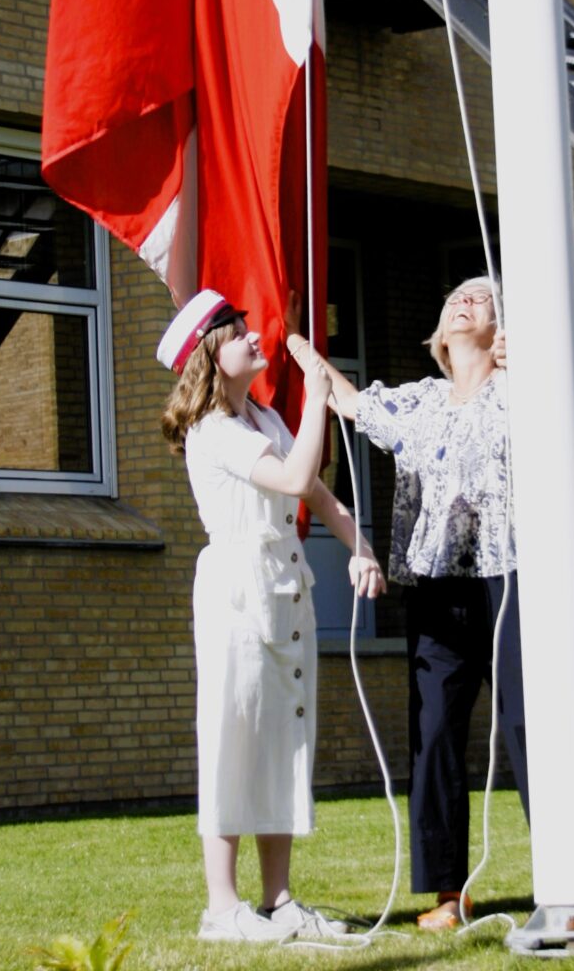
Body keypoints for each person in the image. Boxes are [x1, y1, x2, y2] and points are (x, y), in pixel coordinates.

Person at [284, 276, 574, 930]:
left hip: (512, 577)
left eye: (483, 297)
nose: (466, 300)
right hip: (439, 585)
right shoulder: (423, 400)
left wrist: (526, 360)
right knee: (434, 729)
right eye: (456, 299)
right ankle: (449, 893)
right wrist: (300, 343)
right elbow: (351, 404)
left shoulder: (519, 389)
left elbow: (557, 413)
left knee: (535, 726)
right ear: (440, 334)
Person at [158, 289, 386, 943]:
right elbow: (291, 480)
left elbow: (315, 490)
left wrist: (361, 547)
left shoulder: (261, 419)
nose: (255, 338)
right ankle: (222, 908)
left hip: (285, 587)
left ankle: (279, 899)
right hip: (238, 592)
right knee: (234, 737)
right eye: (238, 333)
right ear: (211, 355)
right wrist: (315, 398)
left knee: (284, 739)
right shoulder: (215, 431)